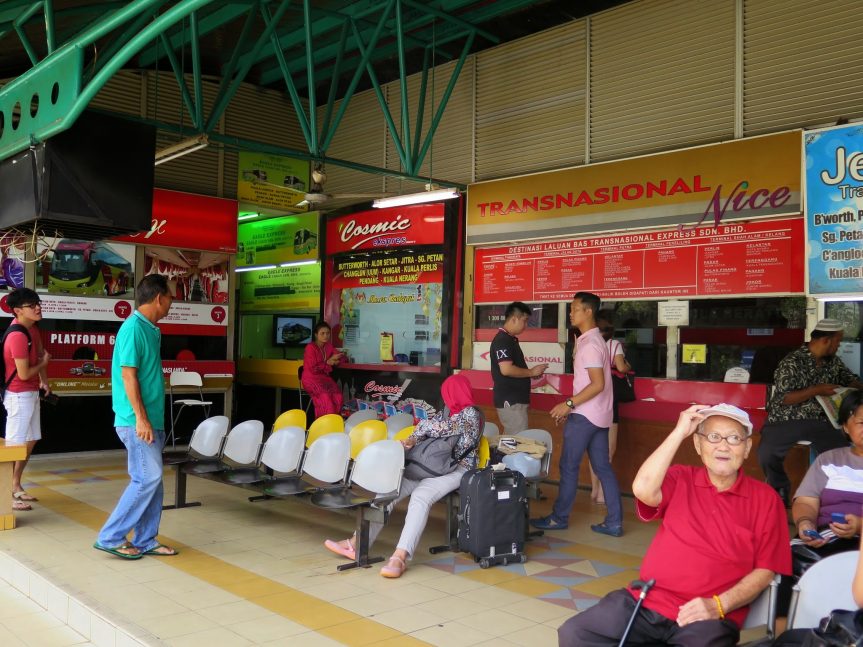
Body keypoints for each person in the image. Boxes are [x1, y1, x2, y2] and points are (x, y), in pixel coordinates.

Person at [558, 403, 791, 646]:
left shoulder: (766, 499)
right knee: (576, 633)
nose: (723, 446)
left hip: (708, 616)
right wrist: (679, 432)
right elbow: (643, 489)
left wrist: (718, 605)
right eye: (713, 437)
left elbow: (766, 571)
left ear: (747, 448)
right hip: (647, 601)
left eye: (734, 438)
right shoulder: (682, 478)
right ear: (698, 445)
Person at [323, 373, 482, 578]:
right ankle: (356, 543)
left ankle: (400, 556)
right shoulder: (448, 411)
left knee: (421, 497)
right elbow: (424, 429)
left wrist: (424, 427)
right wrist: (412, 440)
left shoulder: (471, 414)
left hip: (456, 469)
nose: (445, 397)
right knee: (389, 489)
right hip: (429, 466)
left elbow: (440, 428)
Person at [93, 275, 178, 559]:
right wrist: (141, 419)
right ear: (158, 298)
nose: (171, 303)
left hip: (152, 419)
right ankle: (111, 536)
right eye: (170, 298)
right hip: (136, 421)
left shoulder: (151, 329)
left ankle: (145, 539)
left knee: (153, 483)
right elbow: (128, 375)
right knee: (147, 478)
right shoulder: (132, 328)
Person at [531, 292, 622, 536]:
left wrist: (568, 404)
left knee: (569, 466)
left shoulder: (591, 344)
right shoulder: (591, 340)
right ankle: (614, 521)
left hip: (585, 416)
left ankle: (558, 518)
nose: (570, 313)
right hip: (599, 415)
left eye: (574, 309)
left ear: (588, 312)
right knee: (603, 467)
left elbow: (597, 384)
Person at [758, 319, 863, 505]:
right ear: (826, 341)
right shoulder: (792, 361)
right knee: (768, 452)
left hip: (820, 421)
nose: (838, 346)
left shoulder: (833, 363)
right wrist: (816, 390)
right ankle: (779, 487)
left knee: (842, 450)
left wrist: (855, 386)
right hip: (787, 418)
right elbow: (783, 398)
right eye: (837, 342)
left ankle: (839, 492)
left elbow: (850, 379)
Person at [780, 389, 863, 613]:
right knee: (784, 561)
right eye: (861, 422)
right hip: (827, 535)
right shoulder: (829, 460)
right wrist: (806, 523)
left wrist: (860, 525)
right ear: (846, 427)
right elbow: (806, 501)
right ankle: (783, 631)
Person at [3, 288, 50, 512]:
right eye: (32, 305)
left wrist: (44, 381)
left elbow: (40, 355)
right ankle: (4, 494)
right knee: (14, 445)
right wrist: (43, 365)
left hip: (31, 393)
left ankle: (15, 484)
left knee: (30, 441)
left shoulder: (34, 331)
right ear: (17, 311)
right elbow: (23, 374)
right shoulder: (17, 336)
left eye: (38, 303)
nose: (38, 307)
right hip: (18, 395)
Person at [590, 310, 632, 505]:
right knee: (608, 448)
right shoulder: (614, 344)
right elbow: (622, 368)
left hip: (590, 400)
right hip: (609, 399)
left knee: (593, 447)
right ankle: (601, 493)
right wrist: (628, 364)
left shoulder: (586, 344)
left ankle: (594, 489)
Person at [490, 302, 548, 434]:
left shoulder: (509, 339)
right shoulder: (502, 340)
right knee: (517, 441)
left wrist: (530, 374)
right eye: (525, 321)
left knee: (510, 440)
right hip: (511, 400)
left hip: (515, 400)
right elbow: (506, 369)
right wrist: (531, 372)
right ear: (514, 319)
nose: (526, 325)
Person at [301, 321, 344, 417]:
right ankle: (323, 426)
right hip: (311, 378)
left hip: (324, 379)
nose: (326, 336)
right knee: (325, 397)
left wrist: (337, 360)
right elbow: (312, 368)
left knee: (338, 396)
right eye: (322, 333)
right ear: (316, 335)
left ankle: (334, 423)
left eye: (328, 333)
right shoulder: (310, 347)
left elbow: (339, 356)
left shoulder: (328, 346)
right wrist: (328, 362)